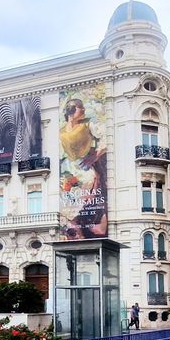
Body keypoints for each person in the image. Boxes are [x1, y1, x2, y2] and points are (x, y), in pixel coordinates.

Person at [59, 97, 108, 239]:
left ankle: (84, 225)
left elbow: (106, 139)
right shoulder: (61, 131)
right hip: (67, 167)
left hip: (84, 167)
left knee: (86, 187)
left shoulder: (87, 125)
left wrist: (95, 155)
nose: (84, 110)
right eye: (81, 108)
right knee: (67, 194)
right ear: (71, 111)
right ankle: (73, 226)